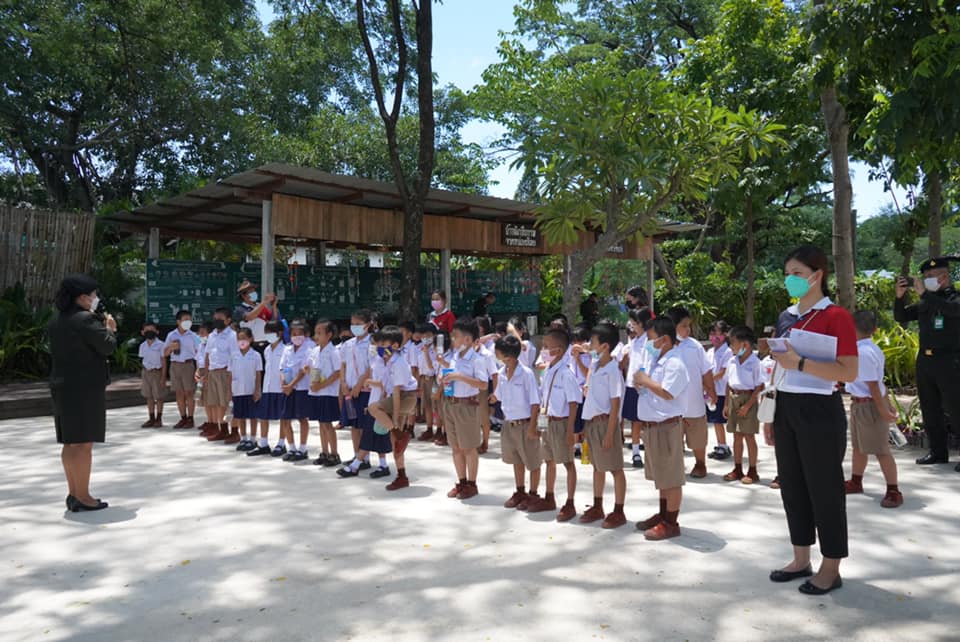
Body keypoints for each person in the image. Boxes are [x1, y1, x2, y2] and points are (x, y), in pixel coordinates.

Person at [767, 245, 858, 596]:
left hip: (820, 409)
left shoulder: (836, 316)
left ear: (817, 275)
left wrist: (801, 364)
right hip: (786, 404)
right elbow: (779, 366)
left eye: (797, 273)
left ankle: (830, 567)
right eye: (787, 273)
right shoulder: (786, 316)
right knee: (792, 485)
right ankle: (800, 558)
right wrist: (771, 410)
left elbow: (849, 371)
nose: (790, 279)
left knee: (825, 489)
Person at [48, 274, 116, 512]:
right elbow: (107, 346)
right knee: (83, 444)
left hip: (62, 387)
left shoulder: (57, 320)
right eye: (93, 294)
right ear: (82, 297)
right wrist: (110, 329)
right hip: (84, 389)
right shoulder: (86, 319)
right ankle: (84, 496)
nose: (95, 298)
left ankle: (73, 493)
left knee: (70, 443)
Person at [894, 257, 960, 469]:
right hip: (926, 360)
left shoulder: (954, 299)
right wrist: (899, 297)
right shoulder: (926, 302)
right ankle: (937, 452)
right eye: (925, 277)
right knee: (930, 408)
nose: (926, 280)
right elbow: (901, 316)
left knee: (955, 407)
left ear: (944, 276)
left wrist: (924, 294)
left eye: (931, 276)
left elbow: (951, 310)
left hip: (949, 360)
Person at [632, 316, 690, 540]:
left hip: (666, 426)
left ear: (664, 339)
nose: (649, 343)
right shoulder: (659, 361)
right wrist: (642, 383)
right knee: (662, 476)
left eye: (651, 339)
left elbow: (668, 392)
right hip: (653, 426)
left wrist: (646, 381)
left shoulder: (675, 363)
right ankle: (663, 514)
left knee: (671, 477)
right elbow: (653, 388)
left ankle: (671, 522)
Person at [844, 311, 903, 507]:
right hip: (860, 404)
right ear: (875, 329)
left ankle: (893, 490)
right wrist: (887, 404)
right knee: (859, 446)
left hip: (869, 406)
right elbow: (879, 382)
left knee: (881, 449)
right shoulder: (872, 348)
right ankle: (856, 481)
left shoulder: (863, 353)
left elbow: (873, 386)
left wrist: (883, 410)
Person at [527, 328, 582, 521]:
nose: (543, 350)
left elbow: (574, 403)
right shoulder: (549, 370)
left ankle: (570, 502)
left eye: (546, 346)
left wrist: (570, 431)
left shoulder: (566, 374)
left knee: (567, 462)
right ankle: (549, 497)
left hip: (561, 423)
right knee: (548, 460)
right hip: (547, 421)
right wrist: (538, 425)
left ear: (558, 350)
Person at [578, 323, 627, 529]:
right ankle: (598, 505)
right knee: (597, 466)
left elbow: (615, 404)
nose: (590, 346)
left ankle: (619, 510)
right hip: (592, 422)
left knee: (615, 467)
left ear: (605, 346)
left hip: (606, 423)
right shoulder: (596, 366)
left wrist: (609, 433)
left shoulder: (612, 370)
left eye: (593, 342)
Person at [363, 326, 420, 490]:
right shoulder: (385, 361)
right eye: (378, 344)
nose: (379, 347)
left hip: (405, 398)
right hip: (396, 398)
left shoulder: (399, 362)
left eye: (383, 344)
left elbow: (397, 391)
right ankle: (402, 476)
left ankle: (399, 433)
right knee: (396, 444)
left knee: (373, 408)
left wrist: (393, 418)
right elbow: (385, 386)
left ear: (395, 345)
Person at [666, 306, 717, 479]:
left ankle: (700, 463)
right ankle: (674, 465)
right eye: (684, 326)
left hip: (693, 402)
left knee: (698, 437)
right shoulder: (662, 346)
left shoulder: (695, 346)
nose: (688, 329)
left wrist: (711, 390)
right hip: (671, 404)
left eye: (689, 325)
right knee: (672, 438)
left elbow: (706, 371)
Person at [494, 335, 543, 511]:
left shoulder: (526, 374)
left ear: (508, 356)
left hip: (525, 424)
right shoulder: (501, 373)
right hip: (509, 423)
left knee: (533, 461)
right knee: (516, 459)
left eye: (498, 353)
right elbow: (499, 396)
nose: (496, 355)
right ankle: (520, 491)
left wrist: (532, 427)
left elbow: (535, 402)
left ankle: (533, 494)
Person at [339, 328, 395, 479]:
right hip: (373, 403)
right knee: (377, 434)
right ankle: (382, 465)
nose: (375, 347)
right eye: (374, 344)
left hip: (382, 404)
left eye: (379, 344)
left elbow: (388, 384)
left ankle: (355, 465)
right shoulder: (377, 361)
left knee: (371, 434)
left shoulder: (392, 362)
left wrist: (370, 383)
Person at [440, 318, 487, 500]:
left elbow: (483, 384)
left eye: (456, 336)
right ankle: (461, 482)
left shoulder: (477, 360)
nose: (453, 339)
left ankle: (472, 484)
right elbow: (452, 375)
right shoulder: (455, 357)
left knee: (468, 447)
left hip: (467, 405)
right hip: (451, 403)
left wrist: (460, 376)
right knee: (456, 447)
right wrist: (446, 378)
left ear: (467, 339)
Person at [721, 326, 765, 485]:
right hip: (734, 397)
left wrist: (748, 406)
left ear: (744, 344)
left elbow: (759, 386)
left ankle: (752, 470)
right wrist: (726, 404)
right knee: (736, 435)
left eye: (733, 343)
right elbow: (728, 383)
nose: (730, 346)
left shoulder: (755, 362)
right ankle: (737, 468)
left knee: (749, 435)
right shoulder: (732, 361)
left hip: (748, 399)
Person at [340, 310, 375, 469]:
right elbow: (343, 365)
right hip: (349, 390)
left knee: (364, 426)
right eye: (353, 324)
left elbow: (372, 366)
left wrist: (359, 385)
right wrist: (343, 383)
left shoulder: (372, 343)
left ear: (367, 325)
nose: (355, 327)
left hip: (365, 390)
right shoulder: (348, 344)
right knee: (354, 425)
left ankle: (364, 458)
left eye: (358, 324)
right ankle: (356, 456)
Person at [248, 321, 286, 457]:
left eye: (271, 332)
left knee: (283, 417)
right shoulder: (267, 350)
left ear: (279, 333)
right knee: (263, 416)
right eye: (267, 332)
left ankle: (281, 444)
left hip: (280, 388)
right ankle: (263, 443)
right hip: (267, 387)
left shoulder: (285, 350)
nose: (268, 335)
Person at [307, 320, 342, 466]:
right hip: (316, 392)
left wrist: (321, 385)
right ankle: (324, 452)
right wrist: (312, 380)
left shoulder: (334, 352)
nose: (316, 336)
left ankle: (334, 454)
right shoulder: (314, 351)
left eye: (320, 333)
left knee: (327, 424)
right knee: (321, 423)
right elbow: (313, 369)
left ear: (329, 335)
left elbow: (338, 372)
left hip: (328, 392)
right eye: (315, 333)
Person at [200, 308, 238, 442]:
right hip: (212, 372)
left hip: (225, 372)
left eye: (220, 319)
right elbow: (207, 354)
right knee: (216, 403)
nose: (217, 321)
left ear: (228, 320)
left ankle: (234, 432)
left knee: (227, 402)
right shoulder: (212, 335)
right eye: (215, 318)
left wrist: (231, 374)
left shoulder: (232, 335)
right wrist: (206, 374)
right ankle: (222, 430)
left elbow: (234, 356)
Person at [623, 307, 654, 468]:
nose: (632, 326)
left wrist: (641, 377)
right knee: (635, 420)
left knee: (646, 420)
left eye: (634, 323)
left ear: (642, 323)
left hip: (644, 386)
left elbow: (648, 363)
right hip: (631, 385)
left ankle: (650, 451)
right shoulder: (634, 341)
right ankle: (636, 453)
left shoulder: (650, 342)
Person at [278, 321, 312, 461]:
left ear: (305, 335)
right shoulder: (287, 349)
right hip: (287, 388)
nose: (296, 336)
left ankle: (302, 449)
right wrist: (284, 383)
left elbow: (303, 370)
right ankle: (291, 448)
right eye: (293, 334)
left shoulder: (309, 348)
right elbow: (282, 368)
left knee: (302, 418)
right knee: (285, 418)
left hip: (301, 388)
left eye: (299, 334)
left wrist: (291, 385)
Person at [164, 310, 199, 429]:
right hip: (175, 366)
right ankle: (183, 418)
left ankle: (190, 418)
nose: (188, 322)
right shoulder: (171, 335)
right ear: (178, 321)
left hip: (188, 365)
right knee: (179, 392)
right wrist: (170, 348)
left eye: (190, 320)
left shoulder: (194, 336)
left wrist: (199, 369)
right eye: (185, 320)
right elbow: (165, 353)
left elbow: (199, 352)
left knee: (189, 392)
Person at [229, 328, 263, 449]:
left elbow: (258, 374)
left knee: (253, 416)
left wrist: (257, 390)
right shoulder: (233, 355)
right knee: (240, 416)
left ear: (250, 339)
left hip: (250, 389)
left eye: (244, 338)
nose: (241, 341)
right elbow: (230, 374)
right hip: (237, 390)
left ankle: (252, 439)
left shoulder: (256, 355)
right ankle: (243, 438)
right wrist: (229, 390)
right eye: (239, 338)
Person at [706, 320, 732, 461]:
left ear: (724, 335)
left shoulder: (728, 352)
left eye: (718, 334)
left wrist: (707, 381)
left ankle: (723, 446)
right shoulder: (710, 351)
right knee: (714, 420)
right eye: (712, 334)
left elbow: (722, 372)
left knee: (718, 420)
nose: (714, 337)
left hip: (721, 391)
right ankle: (720, 444)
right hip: (710, 390)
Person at [138, 321, 167, 428]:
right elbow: (143, 359)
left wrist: (163, 377)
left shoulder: (161, 345)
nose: (149, 332)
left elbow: (164, 362)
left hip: (157, 372)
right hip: (146, 372)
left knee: (159, 396)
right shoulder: (142, 346)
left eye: (152, 330)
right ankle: (151, 418)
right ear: (142, 332)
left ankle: (159, 419)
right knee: (148, 396)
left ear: (157, 331)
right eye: (147, 330)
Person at [234, 280, 279, 345]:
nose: (254, 294)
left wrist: (274, 306)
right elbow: (249, 317)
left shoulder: (260, 306)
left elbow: (273, 321)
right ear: (243, 296)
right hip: (251, 344)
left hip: (266, 342)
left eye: (254, 291)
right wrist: (264, 302)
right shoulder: (239, 309)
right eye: (251, 292)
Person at [415, 324, 439, 442]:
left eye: (428, 335)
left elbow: (432, 366)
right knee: (427, 406)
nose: (425, 338)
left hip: (434, 379)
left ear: (434, 335)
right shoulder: (419, 348)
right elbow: (418, 366)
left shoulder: (436, 349)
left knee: (436, 406)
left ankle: (439, 430)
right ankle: (429, 429)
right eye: (423, 335)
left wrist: (426, 352)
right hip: (423, 378)